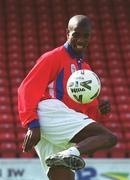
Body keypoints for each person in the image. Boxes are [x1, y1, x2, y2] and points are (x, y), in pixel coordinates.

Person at [18, 15, 117, 180]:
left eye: (86, 35)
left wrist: (101, 112)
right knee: (108, 137)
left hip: (60, 124)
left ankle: (68, 154)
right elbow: (26, 89)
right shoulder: (53, 57)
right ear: (67, 33)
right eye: (76, 34)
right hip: (50, 113)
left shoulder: (86, 69)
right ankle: (73, 153)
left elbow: (87, 111)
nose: (81, 39)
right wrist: (33, 124)